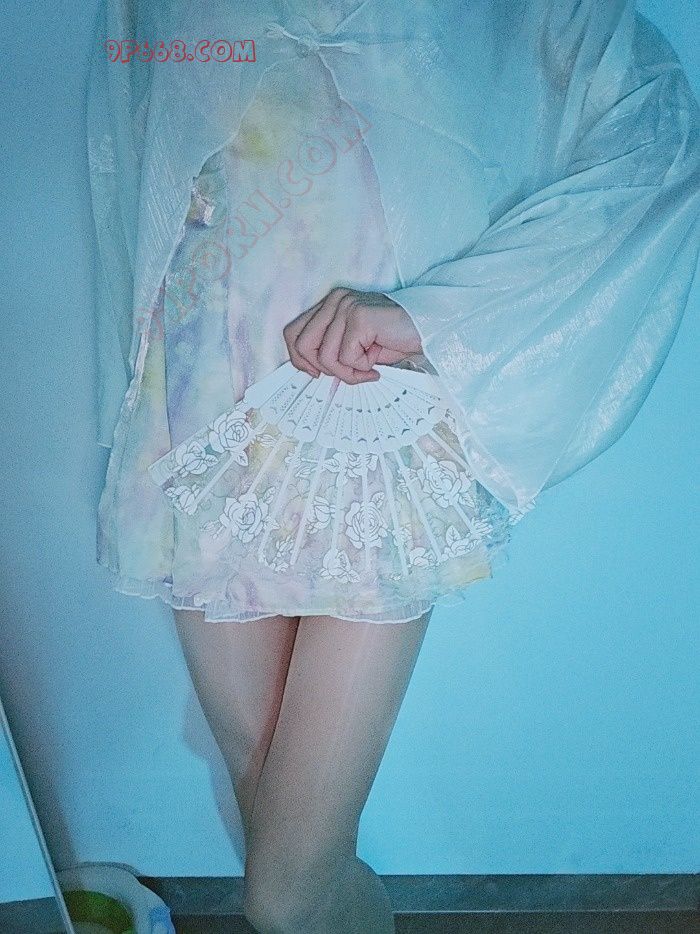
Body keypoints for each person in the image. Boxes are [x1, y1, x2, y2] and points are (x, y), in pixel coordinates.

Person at [87, 2, 699, 930]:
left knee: (286, 892)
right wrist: (132, 390)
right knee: (272, 822)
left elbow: (656, 138)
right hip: (195, 415)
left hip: (367, 418)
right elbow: (131, 172)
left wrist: (436, 316)